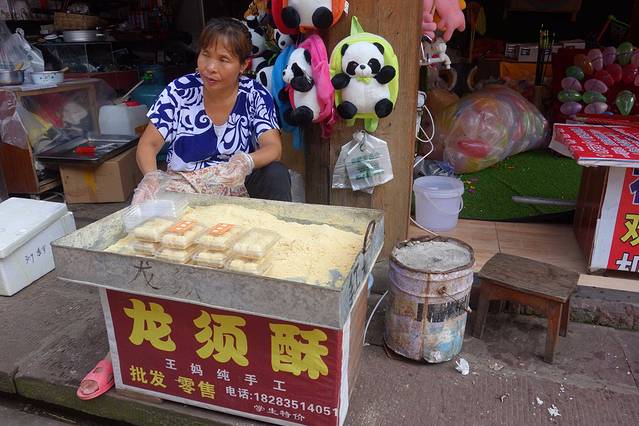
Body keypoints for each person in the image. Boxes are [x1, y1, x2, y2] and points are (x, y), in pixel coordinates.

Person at [76, 17, 290, 401]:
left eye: (224, 59)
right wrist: (151, 178)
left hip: (233, 185)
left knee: (275, 175)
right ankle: (119, 348)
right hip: (183, 187)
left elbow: (273, 147)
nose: (210, 67)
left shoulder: (255, 94)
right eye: (205, 55)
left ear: (244, 65)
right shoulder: (180, 90)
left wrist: (245, 161)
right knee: (143, 243)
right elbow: (148, 145)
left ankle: (274, 294)